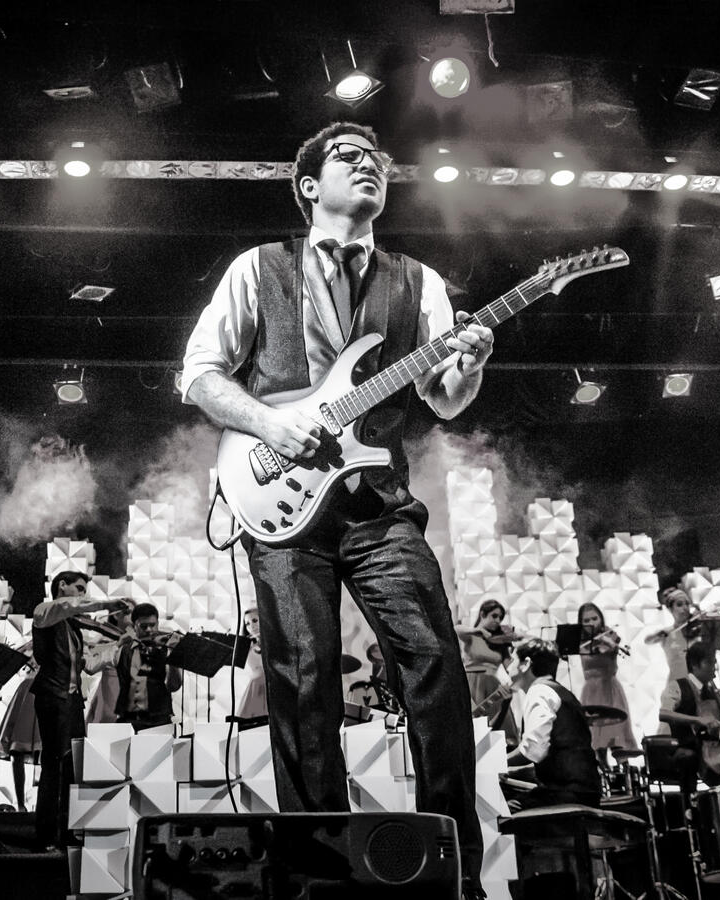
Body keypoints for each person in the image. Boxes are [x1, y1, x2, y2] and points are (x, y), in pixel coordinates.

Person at [180, 121, 494, 899]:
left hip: (378, 504)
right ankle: (317, 878)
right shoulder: (258, 269)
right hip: (280, 506)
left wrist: (471, 368)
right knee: (303, 684)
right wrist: (269, 422)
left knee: (436, 668)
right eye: (348, 158)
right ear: (309, 187)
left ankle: (452, 866)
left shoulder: (417, 281)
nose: (369, 166)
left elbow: (444, 401)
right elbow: (199, 375)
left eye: (378, 161)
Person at [31, 570, 128, 849]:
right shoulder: (45, 611)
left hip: (71, 700)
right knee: (54, 765)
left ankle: (69, 832)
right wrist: (108, 605)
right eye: (80, 588)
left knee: (72, 768)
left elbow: (86, 664)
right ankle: (48, 835)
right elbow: (68, 606)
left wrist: (117, 647)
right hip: (53, 696)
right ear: (62, 585)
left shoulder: (72, 628)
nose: (83, 595)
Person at [503, 637, 602, 810]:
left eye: (512, 660)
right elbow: (554, 756)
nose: (508, 665)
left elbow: (534, 749)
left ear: (526, 664)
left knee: (504, 810)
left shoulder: (539, 691)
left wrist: (498, 763)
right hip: (586, 791)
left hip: (564, 795)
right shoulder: (562, 692)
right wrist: (511, 772)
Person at [658, 641, 720, 794]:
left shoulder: (714, 691)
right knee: (688, 757)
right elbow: (664, 713)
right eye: (710, 662)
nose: (714, 667)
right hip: (686, 745)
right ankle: (689, 805)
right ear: (695, 664)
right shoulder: (677, 686)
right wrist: (697, 720)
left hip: (711, 748)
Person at [577, 602, 637, 759]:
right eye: (586, 621)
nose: (591, 623)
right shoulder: (580, 643)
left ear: (601, 619)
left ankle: (625, 774)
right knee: (596, 739)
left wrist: (611, 644)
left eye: (595, 618)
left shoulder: (610, 636)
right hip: (591, 690)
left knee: (617, 736)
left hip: (609, 687)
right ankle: (603, 773)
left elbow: (619, 649)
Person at [455, 599, 518, 742]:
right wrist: (478, 630)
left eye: (500, 617)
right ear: (483, 614)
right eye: (494, 616)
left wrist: (511, 648)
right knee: (475, 723)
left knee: (500, 726)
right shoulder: (472, 635)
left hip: (492, 683)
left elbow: (508, 665)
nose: (498, 620)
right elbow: (455, 629)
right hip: (473, 683)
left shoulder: (497, 639)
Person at [114, 602, 182, 733]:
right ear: (134, 626)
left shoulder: (166, 649)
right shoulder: (123, 650)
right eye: (143, 626)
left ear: (158, 623)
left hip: (160, 720)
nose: (149, 630)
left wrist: (173, 655)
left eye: (153, 625)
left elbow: (174, 686)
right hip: (129, 722)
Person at [0, 659, 40, 812]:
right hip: (28, 690)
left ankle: (43, 804)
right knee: (16, 748)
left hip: (47, 690)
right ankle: (20, 803)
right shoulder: (30, 647)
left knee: (46, 752)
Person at [644, 586, 698, 682]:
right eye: (679, 604)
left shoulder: (696, 628)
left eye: (687, 604)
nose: (685, 608)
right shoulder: (668, 632)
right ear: (670, 609)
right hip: (677, 681)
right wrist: (660, 634)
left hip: (697, 679)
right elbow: (648, 641)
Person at [236, 607, 268, 720]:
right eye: (247, 624)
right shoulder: (247, 645)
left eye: (255, 621)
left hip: (273, 688)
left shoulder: (275, 643)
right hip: (255, 689)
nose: (251, 627)